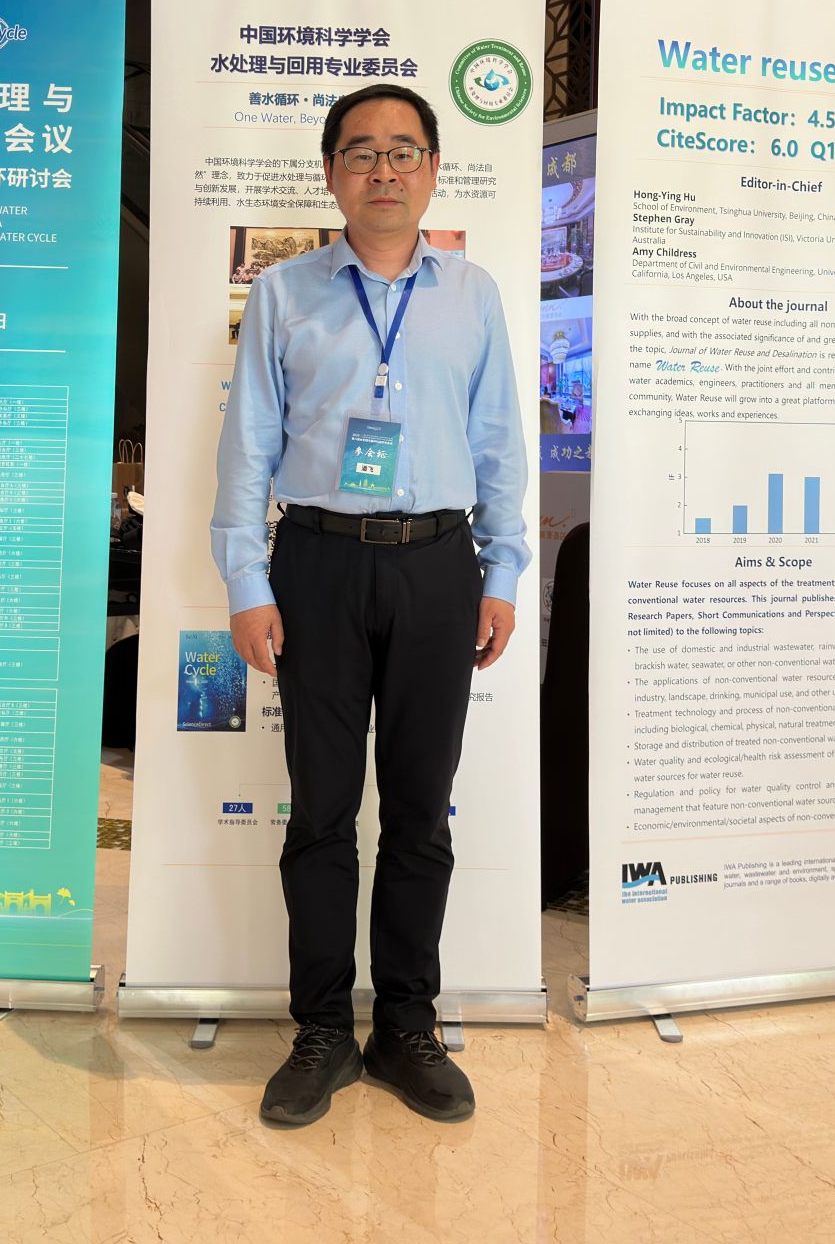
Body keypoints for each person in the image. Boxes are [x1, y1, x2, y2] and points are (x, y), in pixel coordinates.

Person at [213, 83, 528, 1128]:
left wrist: (501, 572)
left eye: (403, 151)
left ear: (433, 169)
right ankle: (319, 1032)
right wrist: (247, 583)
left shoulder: (472, 294)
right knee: (319, 813)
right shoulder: (284, 292)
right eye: (361, 152)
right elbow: (247, 447)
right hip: (317, 564)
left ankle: (405, 1026)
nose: (383, 171)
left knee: (420, 812)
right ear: (331, 172)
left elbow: (497, 442)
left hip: (438, 566)